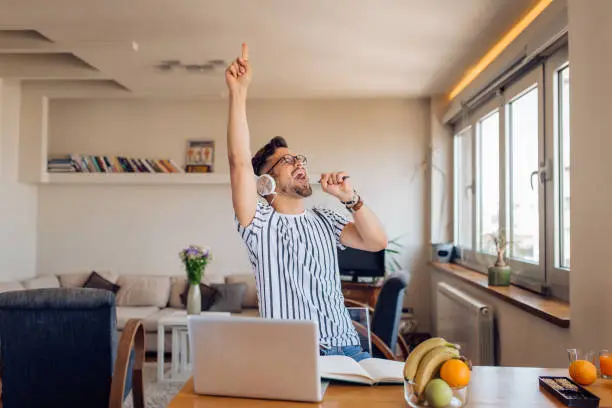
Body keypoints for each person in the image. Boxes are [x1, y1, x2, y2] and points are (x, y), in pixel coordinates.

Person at [225, 43, 388, 362]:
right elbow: (239, 162)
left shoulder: (325, 218)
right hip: (295, 356)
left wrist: (349, 199)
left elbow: (376, 241)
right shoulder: (259, 224)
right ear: (265, 182)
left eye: (299, 158)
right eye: (288, 161)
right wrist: (239, 92)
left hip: (351, 351)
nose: (299, 163)